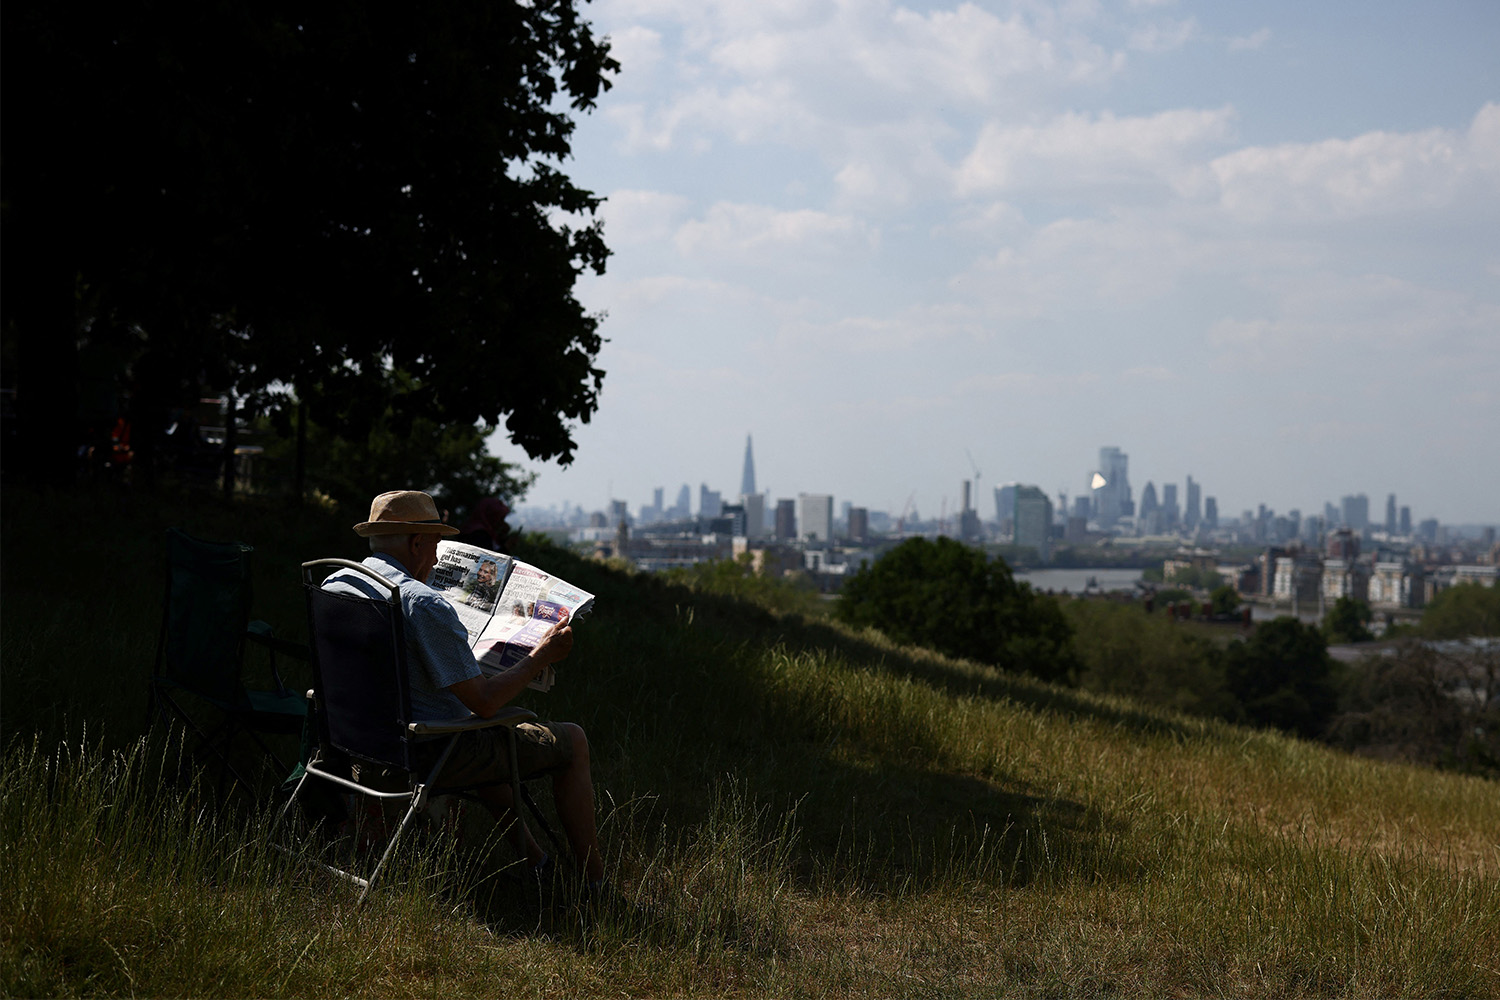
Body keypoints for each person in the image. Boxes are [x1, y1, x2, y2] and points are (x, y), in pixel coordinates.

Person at [322, 489, 604, 888]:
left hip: (358, 743)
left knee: (477, 735)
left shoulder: (338, 582)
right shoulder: (421, 603)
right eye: (434, 545)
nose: (436, 558)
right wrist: (541, 657)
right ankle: (594, 885)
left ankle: (538, 865)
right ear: (417, 542)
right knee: (571, 740)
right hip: (424, 752)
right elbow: (486, 703)